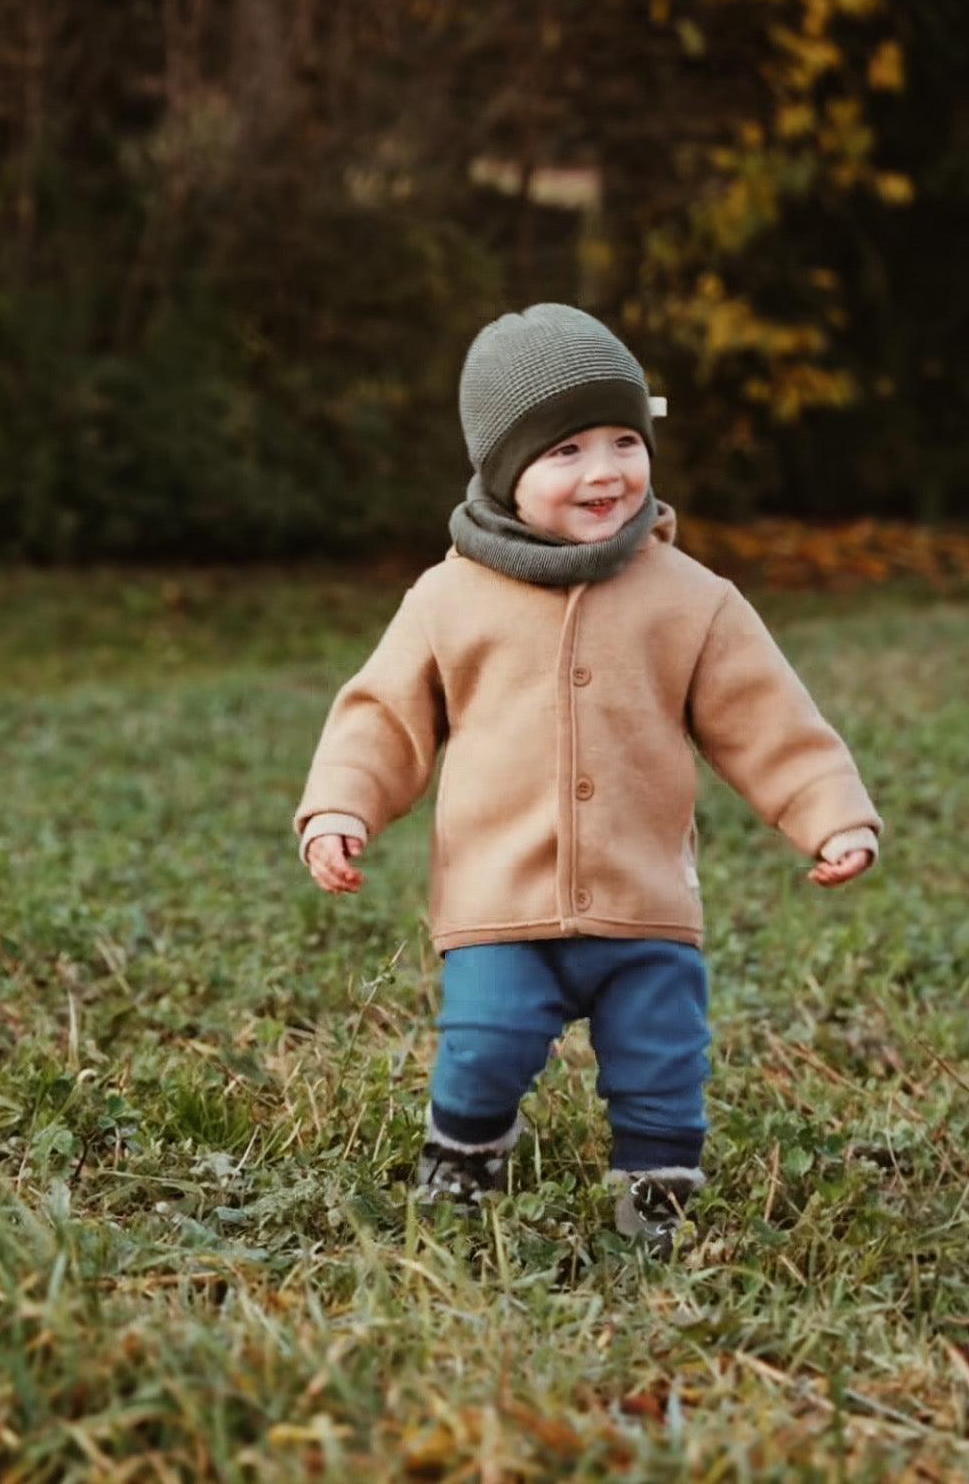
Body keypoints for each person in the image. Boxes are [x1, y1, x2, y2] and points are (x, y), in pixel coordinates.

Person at [295, 302, 880, 1251]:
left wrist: (830, 814)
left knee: (662, 1065)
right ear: (502, 472)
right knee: (480, 1051)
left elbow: (767, 718)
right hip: (500, 899)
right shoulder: (448, 598)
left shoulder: (690, 599)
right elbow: (382, 717)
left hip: (644, 901)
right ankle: (469, 1149)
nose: (605, 471)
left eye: (623, 440)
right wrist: (339, 809)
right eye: (565, 451)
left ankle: (654, 1189)